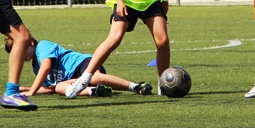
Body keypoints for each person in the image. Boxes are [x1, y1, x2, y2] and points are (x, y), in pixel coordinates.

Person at [8, 36, 153, 98]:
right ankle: (94, 92)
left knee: (95, 77)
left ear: (30, 43)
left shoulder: (42, 46)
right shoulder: (35, 67)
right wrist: (26, 89)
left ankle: (135, 87)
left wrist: (31, 92)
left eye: (20, 50)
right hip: (74, 81)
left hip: (82, 64)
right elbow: (50, 88)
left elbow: (46, 67)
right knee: (59, 88)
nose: (18, 56)